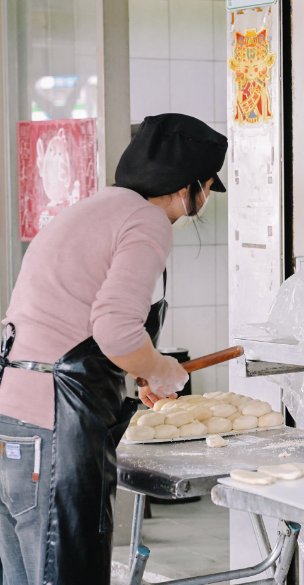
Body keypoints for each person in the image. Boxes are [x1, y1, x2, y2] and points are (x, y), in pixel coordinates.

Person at [0, 113, 228, 585]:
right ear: (189, 187)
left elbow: (74, 322)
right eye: (205, 188)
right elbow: (116, 331)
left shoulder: (97, 207)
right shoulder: (146, 222)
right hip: (54, 424)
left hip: (13, 417)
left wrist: (138, 373)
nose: (202, 202)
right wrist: (163, 371)